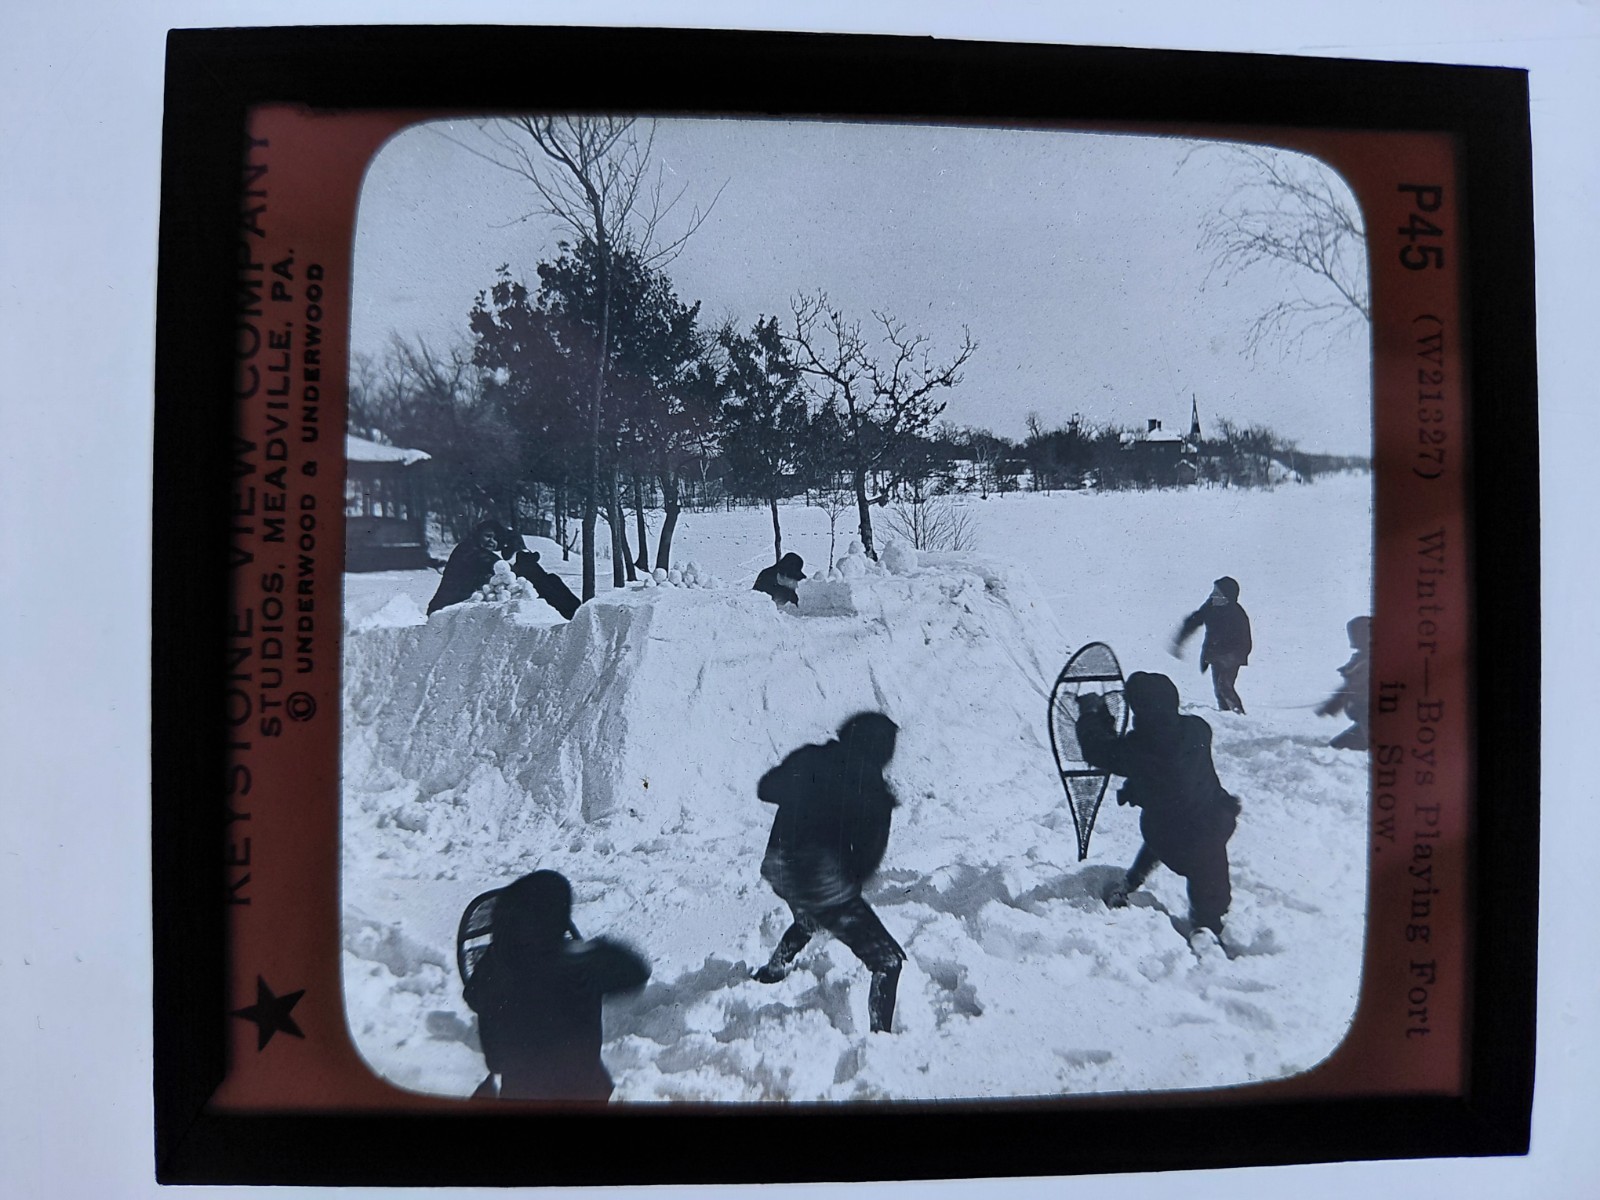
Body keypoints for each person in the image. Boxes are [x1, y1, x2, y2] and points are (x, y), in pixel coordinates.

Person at [751, 712, 907, 1034]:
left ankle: (774, 969)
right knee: (887, 961)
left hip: (779, 869)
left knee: (810, 917)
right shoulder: (873, 790)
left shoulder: (812, 757)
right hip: (823, 884)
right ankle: (881, 1044)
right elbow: (864, 864)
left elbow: (767, 788)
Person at [1076, 672, 1241, 943]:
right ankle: (1207, 931)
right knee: (1211, 895)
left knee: (1173, 834)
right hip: (1213, 824)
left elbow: (1098, 750)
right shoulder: (1199, 729)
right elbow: (1169, 768)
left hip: (1172, 837)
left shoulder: (1137, 750)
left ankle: (1205, 944)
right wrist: (1140, 786)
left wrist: (1091, 714)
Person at [461, 870, 650, 1102]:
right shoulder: (578, 967)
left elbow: (495, 1053)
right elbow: (635, 972)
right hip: (584, 1092)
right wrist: (589, 950)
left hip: (519, 1093)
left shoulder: (495, 966)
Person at [1171, 575, 1253, 714]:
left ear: (1227, 596)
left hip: (1231, 657)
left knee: (1224, 686)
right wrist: (1179, 641)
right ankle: (1227, 715)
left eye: (1217, 593)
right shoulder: (1210, 606)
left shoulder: (1237, 615)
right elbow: (1194, 621)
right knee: (1219, 689)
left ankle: (1239, 716)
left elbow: (1245, 642)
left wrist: (1232, 658)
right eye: (1214, 591)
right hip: (1215, 654)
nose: (1213, 595)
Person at [427, 520, 513, 615]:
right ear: (478, 535)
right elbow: (484, 559)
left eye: (496, 539)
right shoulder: (466, 549)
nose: (492, 541)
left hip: (460, 612)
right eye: (488, 536)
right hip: (443, 611)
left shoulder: (483, 554)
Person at [1317, 616, 1372, 751]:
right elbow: (1351, 688)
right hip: (1365, 722)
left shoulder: (1372, 660)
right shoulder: (1362, 660)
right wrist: (1332, 706)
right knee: (1336, 747)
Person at [512, 549, 583, 621]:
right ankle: (574, 609)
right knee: (557, 592)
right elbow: (536, 557)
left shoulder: (520, 566)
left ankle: (574, 609)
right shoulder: (528, 563)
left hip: (543, 585)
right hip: (542, 587)